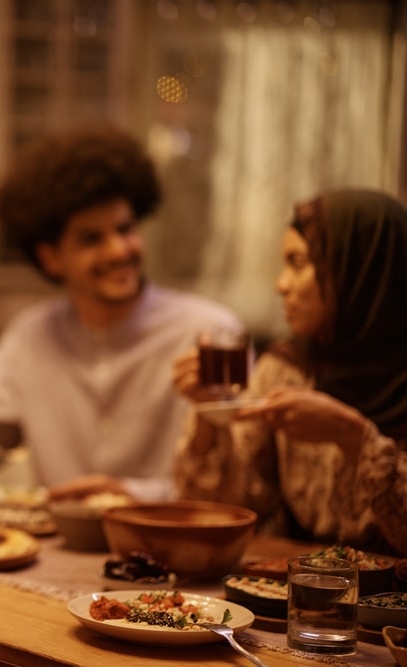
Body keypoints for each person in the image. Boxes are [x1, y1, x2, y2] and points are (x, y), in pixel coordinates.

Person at [0, 124, 242, 502]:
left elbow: (242, 484)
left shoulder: (208, 332)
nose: (118, 250)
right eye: (91, 239)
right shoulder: (29, 338)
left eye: (125, 229)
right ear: (50, 257)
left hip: (175, 545)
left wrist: (132, 494)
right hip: (56, 556)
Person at [173, 188, 407, 555]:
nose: (281, 285)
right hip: (297, 590)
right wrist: (209, 413)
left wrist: (351, 435)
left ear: (360, 269)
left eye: (298, 263)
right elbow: (225, 511)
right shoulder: (285, 370)